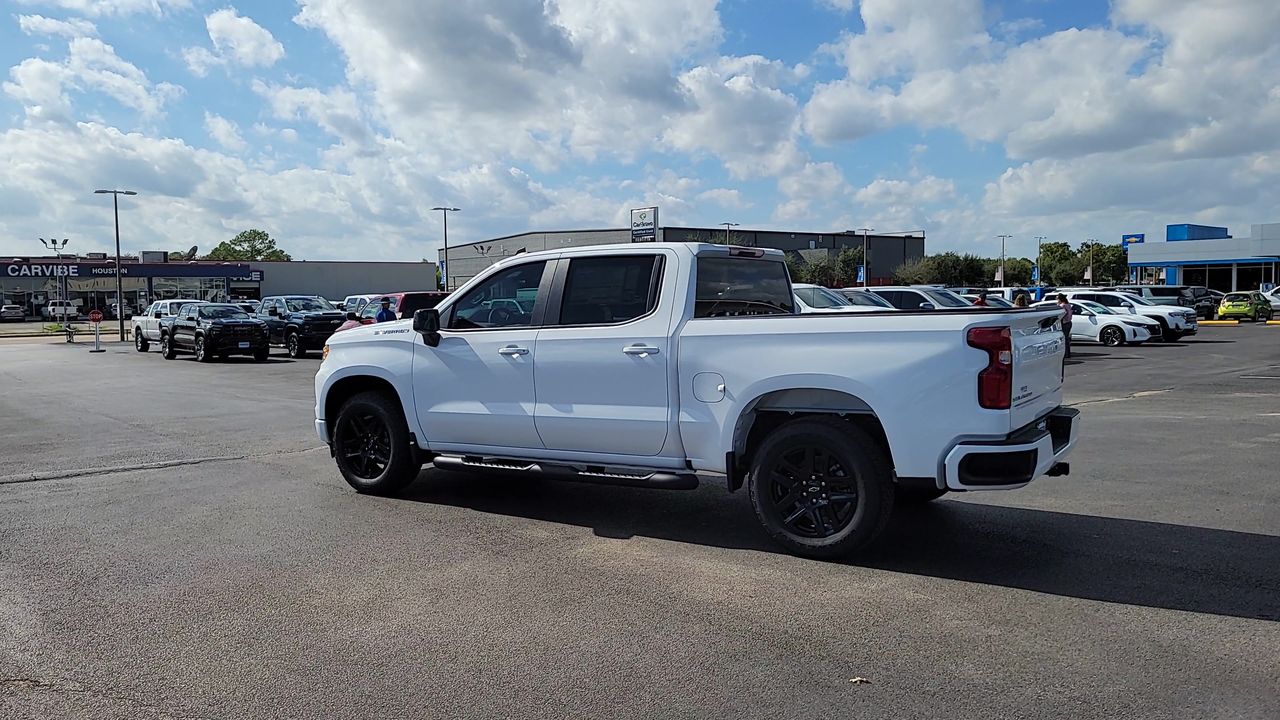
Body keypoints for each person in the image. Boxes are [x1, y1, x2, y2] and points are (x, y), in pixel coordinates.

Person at [1056, 293, 1073, 358]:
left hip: (1064, 323)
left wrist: (1058, 305)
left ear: (1060, 299)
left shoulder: (1062, 305)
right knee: (1066, 338)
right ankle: (1068, 353)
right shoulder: (1068, 304)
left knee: (1064, 339)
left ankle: (1065, 354)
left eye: (1057, 299)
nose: (1057, 300)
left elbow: (1062, 313)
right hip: (1069, 322)